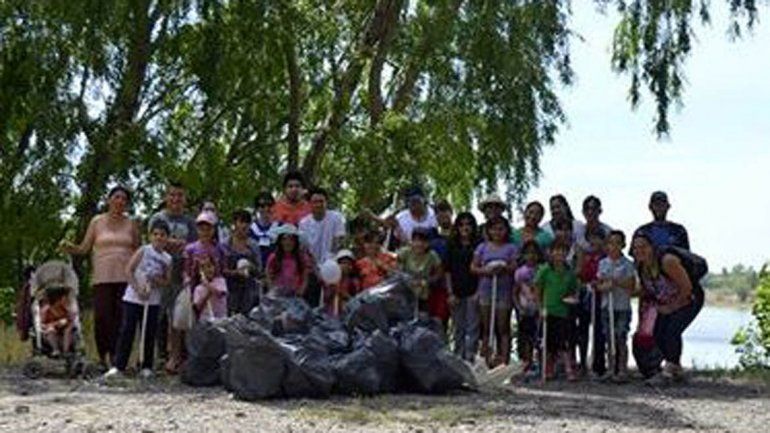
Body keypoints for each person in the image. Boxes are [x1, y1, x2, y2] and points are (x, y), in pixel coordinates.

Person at [61, 185, 141, 367]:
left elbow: (139, 250)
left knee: (122, 319)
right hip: (102, 278)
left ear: (127, 204)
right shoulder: (97, 221)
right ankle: (103, 356)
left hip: (126, 278)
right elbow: (84, 248)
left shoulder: (132, 223)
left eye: (124, 199)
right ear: (109, 200)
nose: (120, 201)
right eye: (117, 197)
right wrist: (70, 247)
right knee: (102, 317)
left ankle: (118, 358)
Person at [631, 232, 703, 383]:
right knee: (658, 331)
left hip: (689, 297)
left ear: (652, 247)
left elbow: (686, 288)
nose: (639, 251)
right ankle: (675, 368)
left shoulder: (667, 261)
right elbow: (647, 291)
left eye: (643, 246)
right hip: (666, 301)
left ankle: (669, 371)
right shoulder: (641, 266)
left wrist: (672, 307)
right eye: (635, 248)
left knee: (672, 331)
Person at [106, 220, 173, 379]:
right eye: (155, 234)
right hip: (133, 298)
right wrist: (137, 288)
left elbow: (167, 281)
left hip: (153, 300)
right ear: (150, 236)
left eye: (162, 235)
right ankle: (119, 365)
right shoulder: (144, 250)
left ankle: (146, 365)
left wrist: (158, 281)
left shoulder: (167, 258)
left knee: (149, 332)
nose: (159, 237)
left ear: (167, 238)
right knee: (127, 330)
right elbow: (129, 270)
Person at [167, 210, 224, 374]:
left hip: (212, 291)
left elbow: (221, 270)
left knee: (209, 324)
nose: (205, 231)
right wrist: (187, 280)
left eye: (208, 228)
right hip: (192, 289)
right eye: (201, 228)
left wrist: (214, 285)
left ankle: (208, 360)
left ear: (214, 229)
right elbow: (185, 268)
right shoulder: (191, 248)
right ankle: (177, 357)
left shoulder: (218, 249)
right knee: (184, 322)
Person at [147, 181, 197, 366]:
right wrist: (171, 243)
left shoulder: (190, 221)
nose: (176, 199)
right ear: (166, 197)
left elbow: (193, 246)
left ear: (185, 199)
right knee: (156, 315)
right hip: (158, 273)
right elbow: (153, 243)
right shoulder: (157, 218)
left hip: (180, 273)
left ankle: (176, 357)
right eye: (172, 195)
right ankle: (150, 357)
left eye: (180, 195)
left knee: (177, 317)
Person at [471, 216, 518, 367]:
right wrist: (486, 270)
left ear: (506, 230)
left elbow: (514, 267)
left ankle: (504, 360)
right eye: (494, 229)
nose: (497, 232)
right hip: (486, 289)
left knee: (503, 326)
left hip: (504, 290)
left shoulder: (511, 248)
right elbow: (473, 267)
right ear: (488, 230)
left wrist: (504, 268)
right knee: (486, 327)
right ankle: (486, 361)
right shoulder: (482, 247)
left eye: (501, 229)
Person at [534, 240, 579, 381]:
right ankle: (548, 369)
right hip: (548, 312)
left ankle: (568, 369)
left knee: (564, 342)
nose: (559, 253)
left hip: (563, 312)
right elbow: (537, 289)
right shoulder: (545, 270)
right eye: (556, 250)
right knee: (548, 343)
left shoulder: (569, 272)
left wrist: (572, 299)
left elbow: (573, 291)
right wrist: (540, 307)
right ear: (550, 252)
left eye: (563, 250)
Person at [596, 230, 635, 382]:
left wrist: (615, 282)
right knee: (609, 338)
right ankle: (611, 368)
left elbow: (631, 284)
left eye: (617, 243)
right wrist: (604, 286)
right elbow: (599, 284)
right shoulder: (603, 263)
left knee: (621, 337)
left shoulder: (628, 264)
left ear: (623, 245)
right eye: (611, 243)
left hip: (622, 307)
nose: (614, 246)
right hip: (607, 306)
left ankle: (622, 369)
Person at [299, 187, 346, 307]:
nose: (319, 205)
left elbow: (338, 242)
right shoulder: (304, 223)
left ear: (326, 202)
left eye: (322, 201)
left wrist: (329, 263)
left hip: (332, 264)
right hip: (312, 268)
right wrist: (316, 270)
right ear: (310, 204)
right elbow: (305, 250)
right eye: (315, 202)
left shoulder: (336, 218)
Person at [445, 212, 480, 362]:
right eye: (462, 225)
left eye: (468, 224)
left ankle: (470, 358)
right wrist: (450, 293)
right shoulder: (452, 245)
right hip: (456, 291)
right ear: (457, 227)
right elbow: (447, 271)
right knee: (458, 328)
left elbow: (481, 270)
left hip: (473, 291)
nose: (465, 228)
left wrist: (478, 292)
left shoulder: (478, 245)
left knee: (472, 328)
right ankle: (457, 358)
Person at [574, 225, 608, 377]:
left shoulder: (607, 258)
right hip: (585, 294)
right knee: (582, 329)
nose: (594, 242)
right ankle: (582, 362)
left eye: (598, 238)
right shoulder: (584, 256)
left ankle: (598, 364)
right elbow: (579, 274)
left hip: (601, 295)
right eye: (591, 239)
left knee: (599, 330)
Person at [513, 240, 544, 376]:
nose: (531, 256)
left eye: (534, 253)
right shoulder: (520, 272)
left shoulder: (542, 270)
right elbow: (515, 291)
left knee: (538, 336)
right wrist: (518, 307)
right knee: (524, 336)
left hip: (539, 308)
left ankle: (539, 363)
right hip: (525, 308)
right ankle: (526, 361)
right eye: (528, 253)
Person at [222, 210, 262, 315]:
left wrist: (250, 267)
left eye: (247, 222)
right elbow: (220, 269)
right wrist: (235, 272)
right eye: (241, 222)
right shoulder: (225, 245)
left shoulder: (254, 245)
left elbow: (260, 271)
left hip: (249, 291)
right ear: (234, 224)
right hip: (229, 290)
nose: (244, 225)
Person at [397, 228, 443, 314]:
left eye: (423, 241)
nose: (419, 244)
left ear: (428, 243)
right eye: (416, 240)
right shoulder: (405, 252)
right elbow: (396, 269)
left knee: (422, 319)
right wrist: (405, 278)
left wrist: (428, 281)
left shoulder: (432, 255)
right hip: (406, 293)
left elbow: (439, 273)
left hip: (423, 294)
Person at [265, 224, 313, 297]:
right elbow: (268, 274)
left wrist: (301, 290)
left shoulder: (302, 257)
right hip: (278, 295)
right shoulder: (274, 257)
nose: (288, 242)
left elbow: (305, 276)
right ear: (280, 241)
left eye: (291, 239)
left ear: (295, 242)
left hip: (295, 295)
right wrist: (272, 290)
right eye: (284, 239)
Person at [324, 249, 361, 316]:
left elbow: (356, 301)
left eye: (348, 264)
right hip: (330, 313)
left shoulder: (354, 282)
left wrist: (344, 294)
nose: (346, 266)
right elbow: (326, 298)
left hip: (346, 314)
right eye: (343, 263)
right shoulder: (331, 280)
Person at [40, 288, 75, 357]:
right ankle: (55, 349)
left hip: (64, 334)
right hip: (51, 335)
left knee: (68, 329)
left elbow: (70, 320)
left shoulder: (64, 309)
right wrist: (55, 324)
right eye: (64, 298)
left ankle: (66, 351)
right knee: (51, 331)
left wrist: (67, 321)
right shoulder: (46, 310)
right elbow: (42, 325)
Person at [193, 254, 228, 321]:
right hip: (206, 319)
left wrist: (207, 285)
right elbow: (198, 307)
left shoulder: (221, 281)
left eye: (209, 266)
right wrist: (207, 294)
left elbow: (219, 294)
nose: (207, 270)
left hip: (221, 318)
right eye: (203, 268)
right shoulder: (198, 288)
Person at [250, 192, 279, 267]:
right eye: (262, 206)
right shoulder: (250, 229)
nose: (266, 209)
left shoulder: (280, 227)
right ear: (257, 208)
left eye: (269, 205)